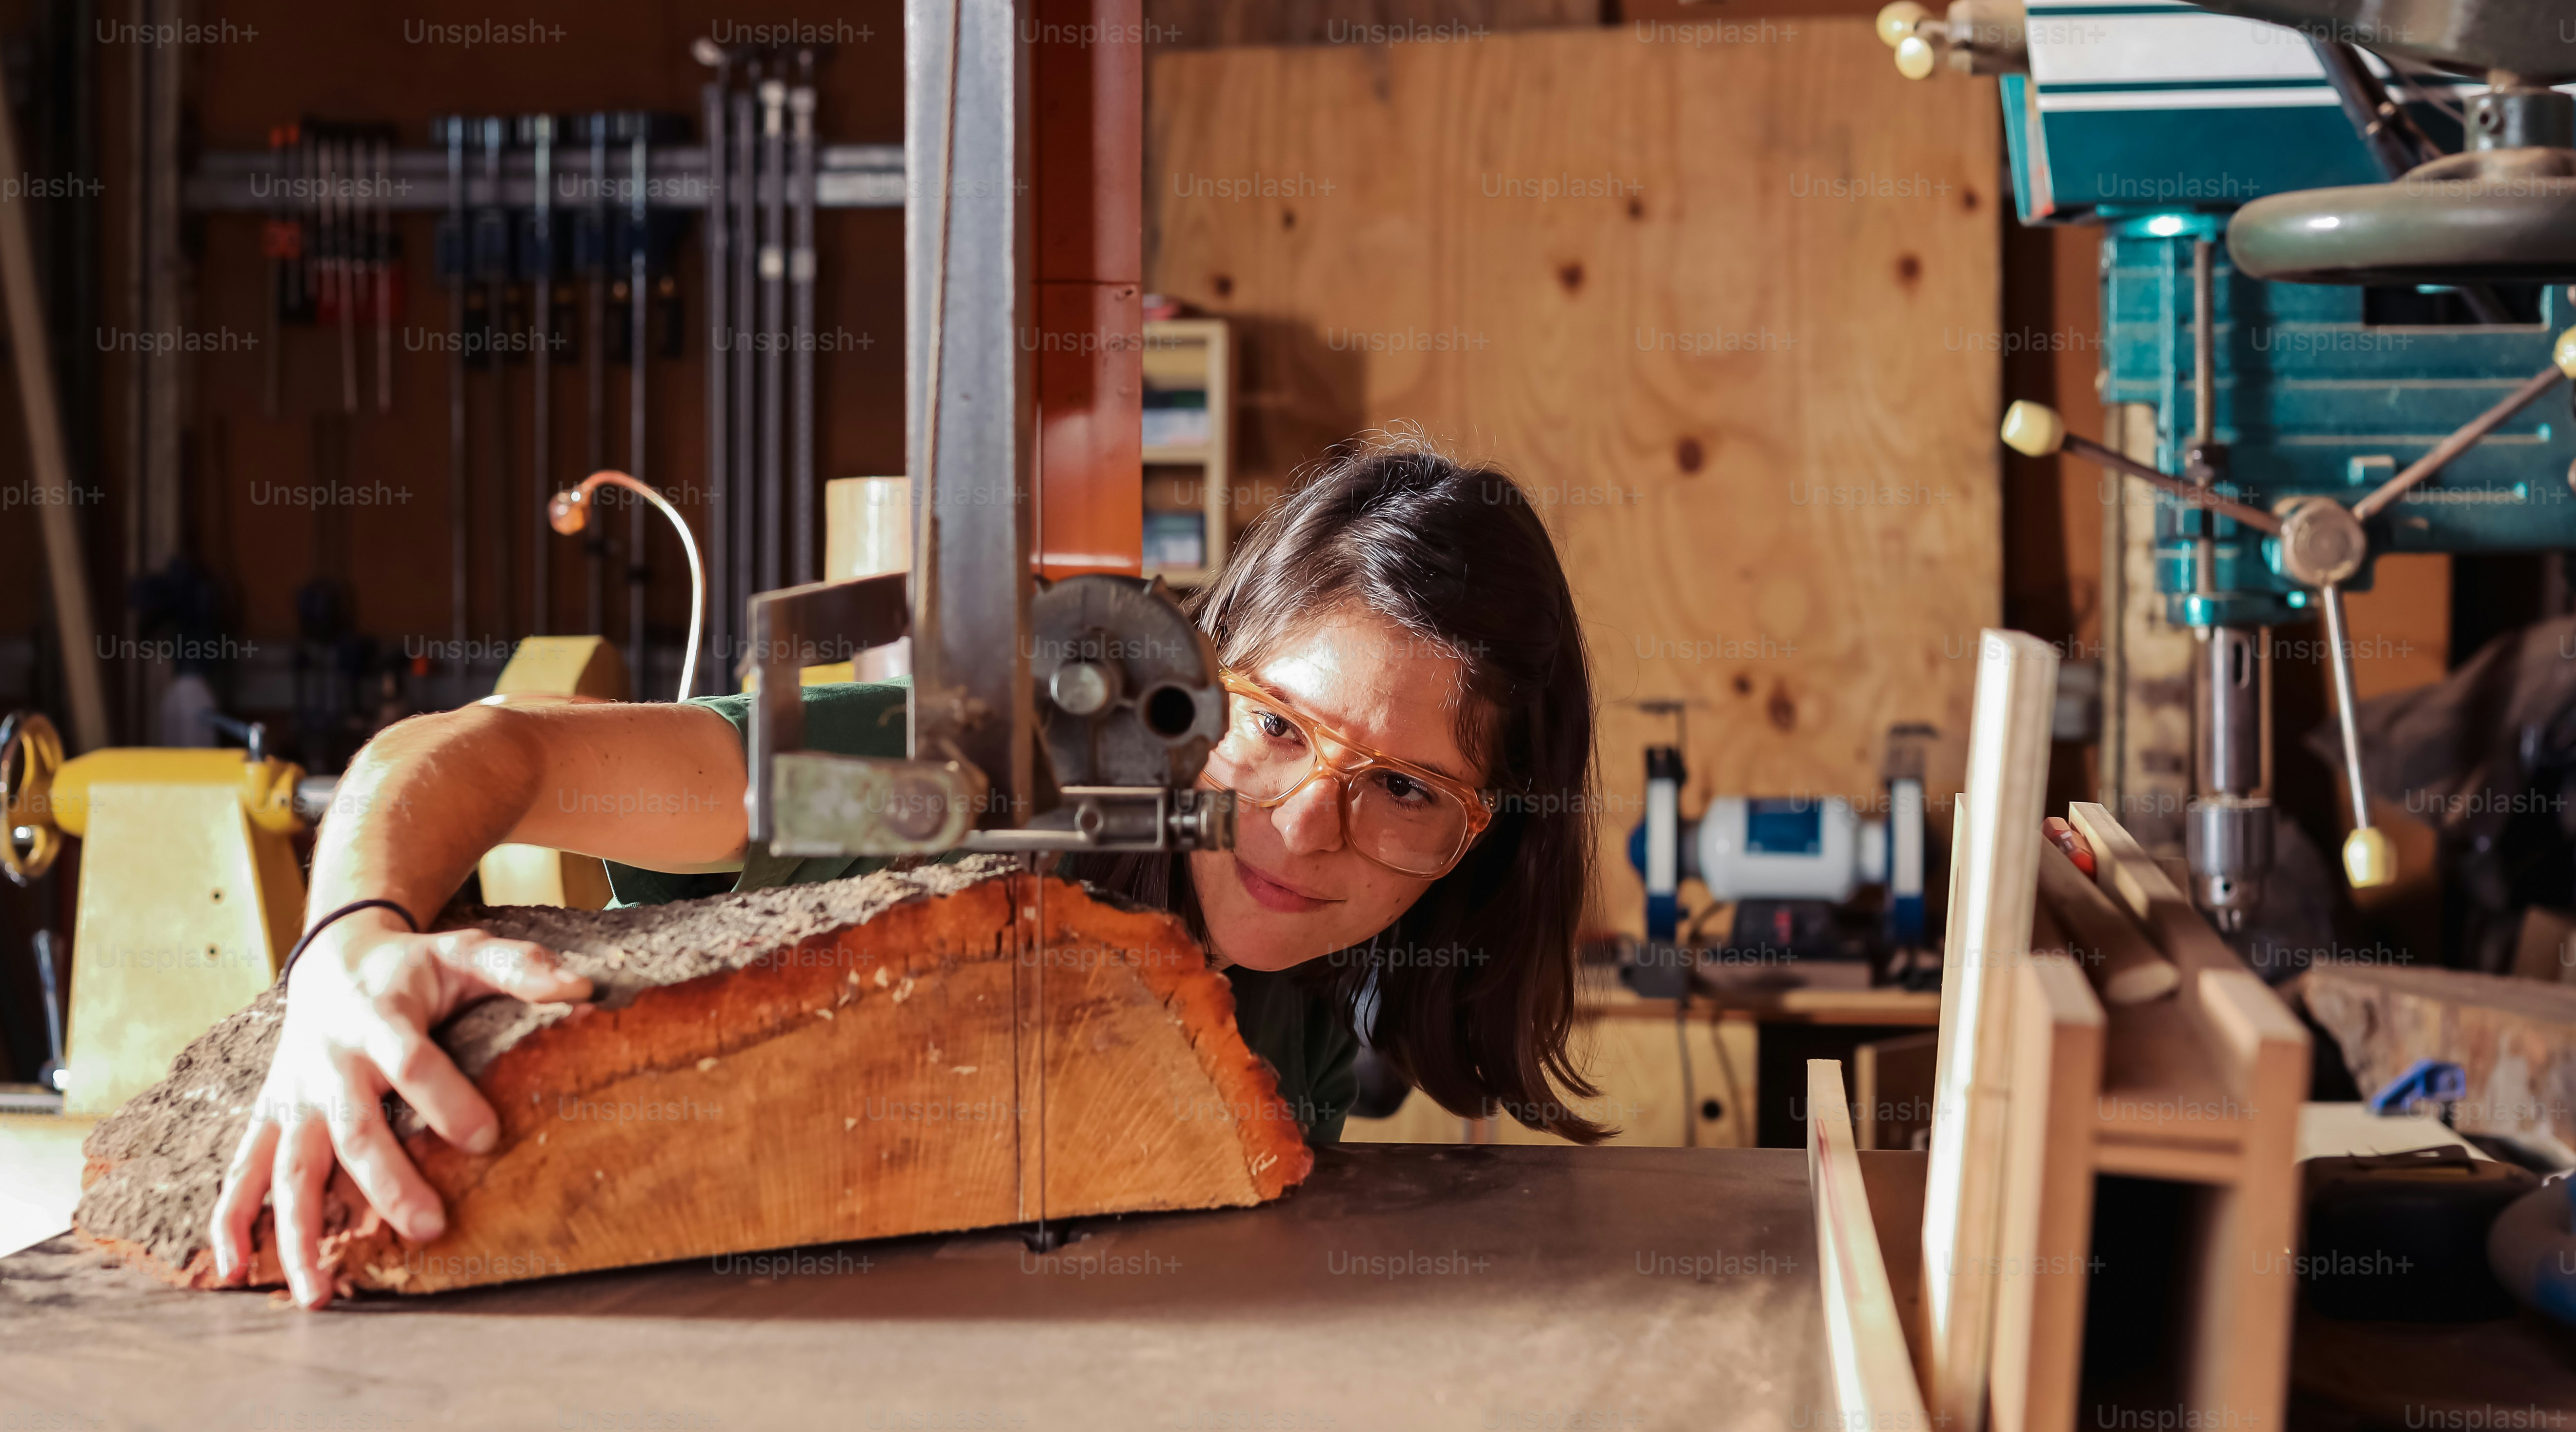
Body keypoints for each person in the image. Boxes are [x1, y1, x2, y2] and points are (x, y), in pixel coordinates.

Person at [214, 444, 1605, 1308]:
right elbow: (480, 751)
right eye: (1276, 726)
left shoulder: (1301, 1005)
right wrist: (346, 949)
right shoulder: (933, 781)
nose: (1307, 828)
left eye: (1405, 791)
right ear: (1185, 684)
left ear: (1485, 839)